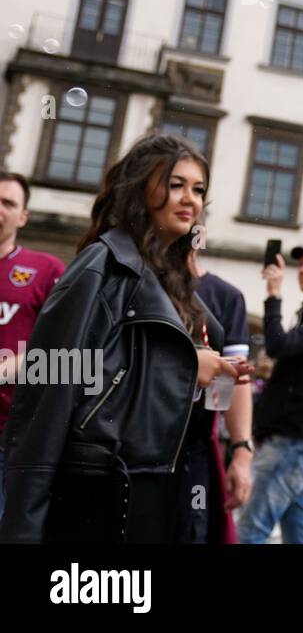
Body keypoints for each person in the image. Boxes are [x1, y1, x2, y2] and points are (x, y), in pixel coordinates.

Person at [0, 134, 241, 542]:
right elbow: (57, 371)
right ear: (141, 186)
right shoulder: (102, 263)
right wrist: (185, 366)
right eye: (175, 184)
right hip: (99, 488)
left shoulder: (176, 280)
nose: (191, 199)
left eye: (198, 189)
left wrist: (210, 370)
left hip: (156, 483)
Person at [238, 243, 303, 544]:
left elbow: (278, 346)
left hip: (294, 442)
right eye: (302, 264)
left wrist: (273, 293)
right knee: (300, 534)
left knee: (249, 532)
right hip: (299, 442)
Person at [0, 171, 65, 521]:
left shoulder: (45, 270)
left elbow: (66, 351)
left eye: (8, 203)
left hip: (10, 434)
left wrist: (7, 369)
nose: (0, 209)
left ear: (23, 216)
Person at [190, 255, 253, 542]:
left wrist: (241, 451)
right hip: (129, 449)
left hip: (194, 449)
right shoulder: (134, 280)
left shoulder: (224, 296)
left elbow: (236, 377)